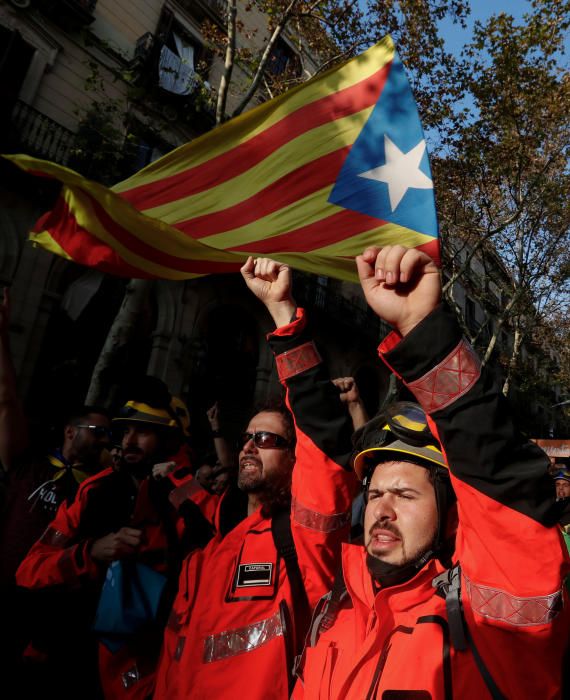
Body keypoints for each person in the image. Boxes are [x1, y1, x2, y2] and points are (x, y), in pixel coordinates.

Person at [292, 245, 569, 699]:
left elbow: (500, 477)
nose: (382, 510)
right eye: (375, 494)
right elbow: (318, 481)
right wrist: (286, 326)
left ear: (451, 516)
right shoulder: (333, 599)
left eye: (404, 495)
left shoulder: (489, 626)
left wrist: (424, 332)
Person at [153, 257, 357, 699]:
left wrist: (285, 316)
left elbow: (326, 445)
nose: (248, 445)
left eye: (266, 438)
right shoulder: (205, 554)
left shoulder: (304, 539)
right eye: (247, 436)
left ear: (295, 458)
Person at [16, 385, 213, 700]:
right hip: (63, 658)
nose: (130, 442)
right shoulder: (93, 491)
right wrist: (90, 552)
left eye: (144, 433)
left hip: (142, 672)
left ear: (169, 441)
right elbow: (30, 570)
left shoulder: (188, 498)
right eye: (125, 431)